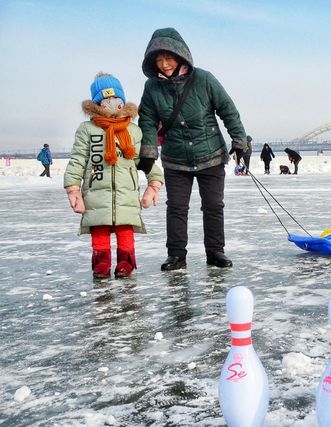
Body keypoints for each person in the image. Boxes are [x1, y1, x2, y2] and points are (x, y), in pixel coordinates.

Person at [138, 28, 247, 271]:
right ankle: (176, 255)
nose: (165, 64)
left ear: (180, 56)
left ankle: (215, 252)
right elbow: (146, 119)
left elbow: (228, 109)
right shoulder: (152, 88)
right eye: (159, 59)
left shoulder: (204, 79)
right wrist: (147, 152)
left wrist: (239, 141)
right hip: (175, 158)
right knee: (176, 208)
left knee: (213, 206)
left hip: (211, 155)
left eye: (169, 58)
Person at [64, 73, 164, 279]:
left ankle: (126, 262)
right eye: (106, 100)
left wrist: (154, 183)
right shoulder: (87, 130)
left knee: (125, 228)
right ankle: (101, 263)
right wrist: (73, 188)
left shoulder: (133, 130)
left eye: (116, 100)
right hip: (96, 191)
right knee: (99, 229)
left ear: (123, 101)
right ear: (97, 104)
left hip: (125, 192)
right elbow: (77, 160)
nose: (112, 104)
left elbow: (144, 160)